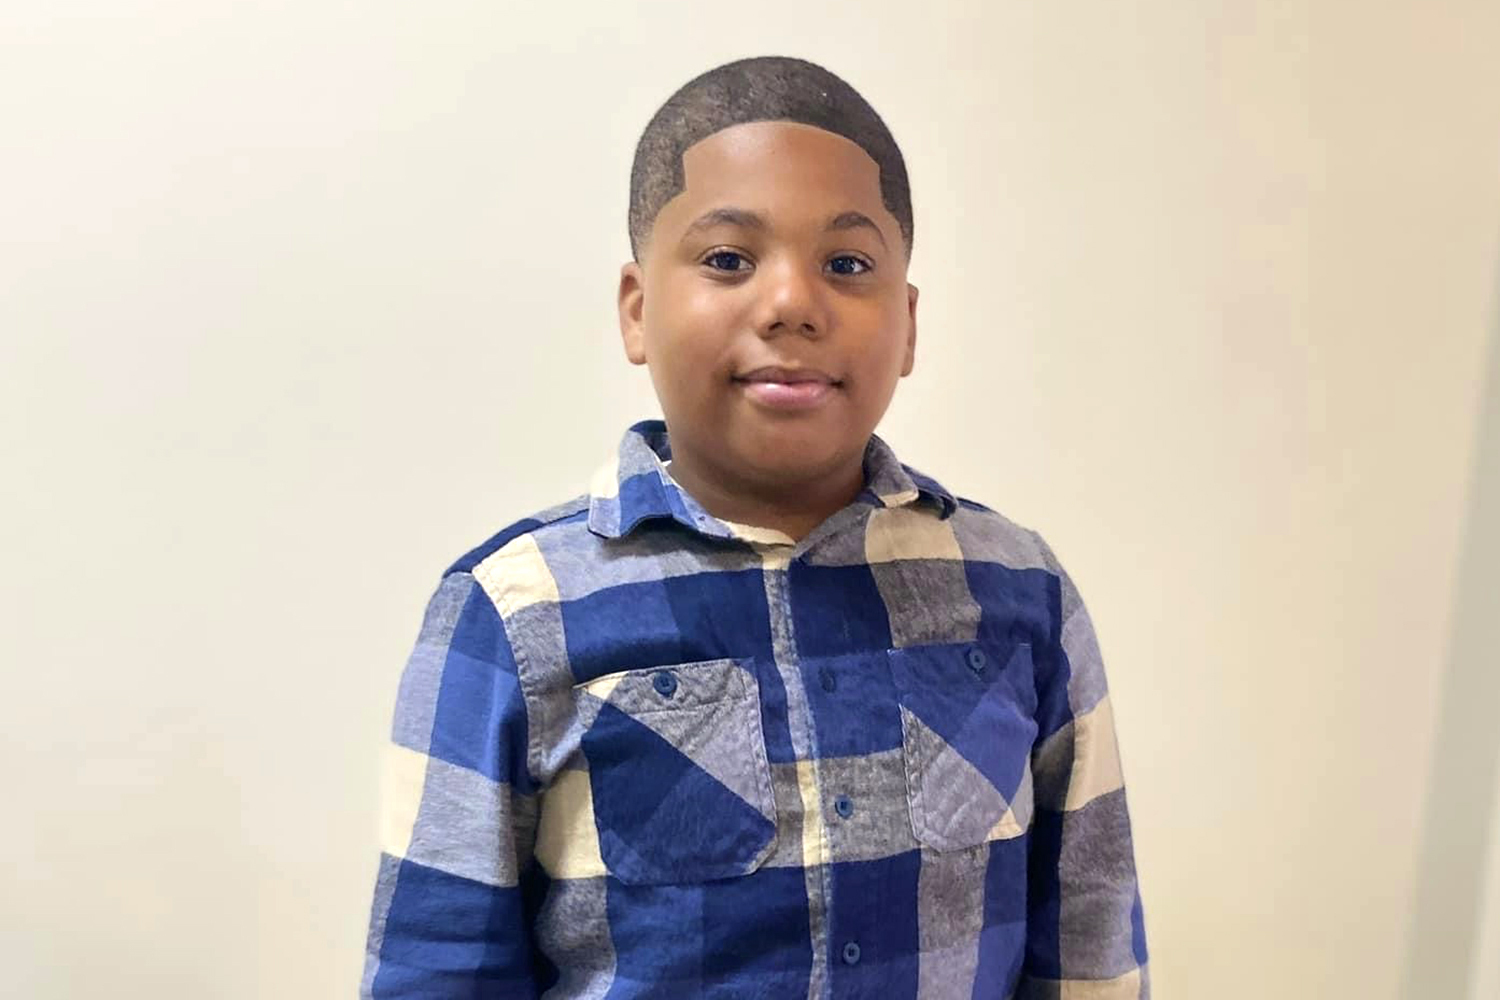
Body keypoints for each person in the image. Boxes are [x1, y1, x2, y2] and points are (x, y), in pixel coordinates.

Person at [361, 54, 1149, 999]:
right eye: (729, 259)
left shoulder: (1022, 593)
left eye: (846, 265)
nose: (791, 305)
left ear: (906, 325)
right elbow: (438, 970)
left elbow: (1092, 944)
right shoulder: (511, 612)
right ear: (638, 311)